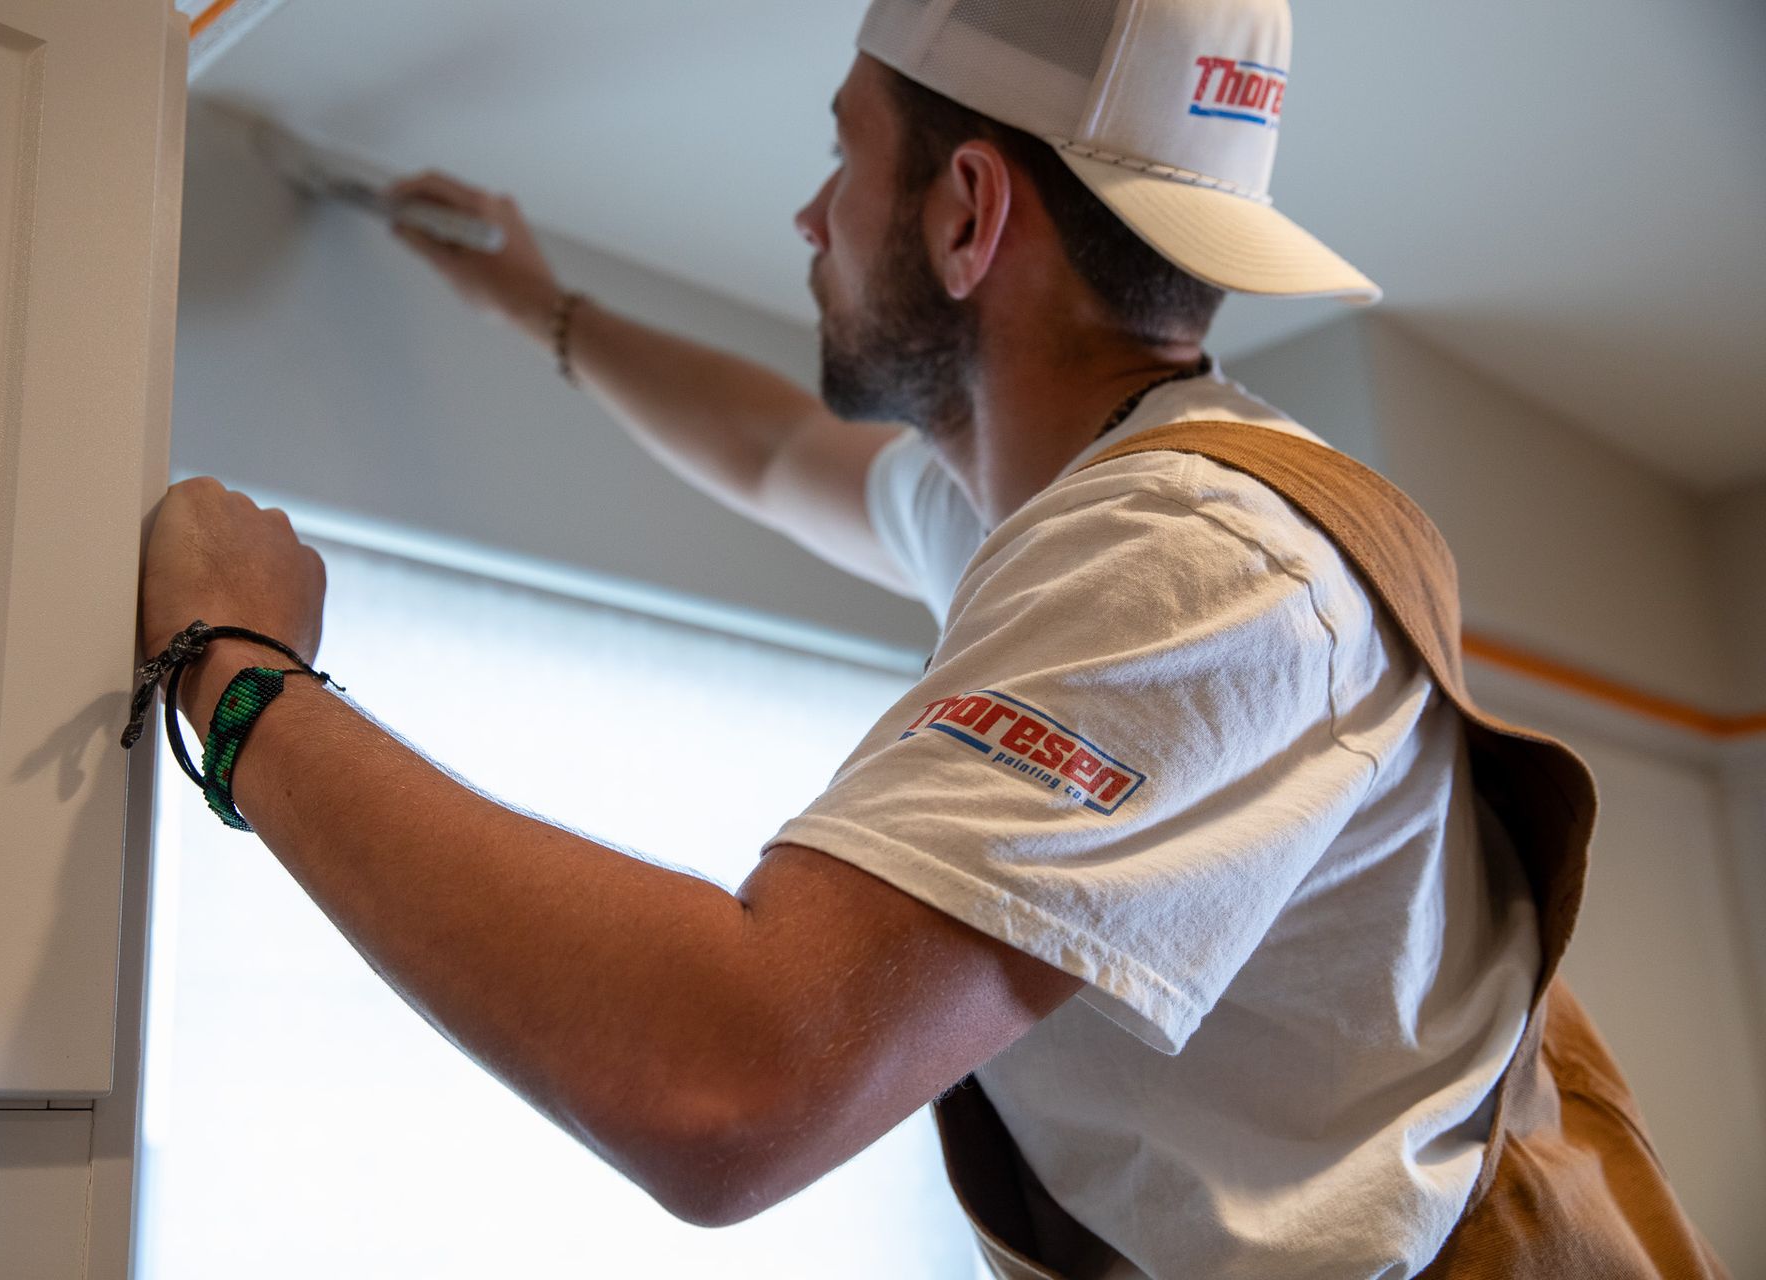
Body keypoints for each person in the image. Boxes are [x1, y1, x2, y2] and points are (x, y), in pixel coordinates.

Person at [138, 1, 1541, 1274]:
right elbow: (768, 450)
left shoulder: (1193, 556)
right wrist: (539, 302)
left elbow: (728, 1079)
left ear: (964, 214)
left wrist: (241, 670)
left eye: (843, 156)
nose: (814, 217)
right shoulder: (1071, 498)